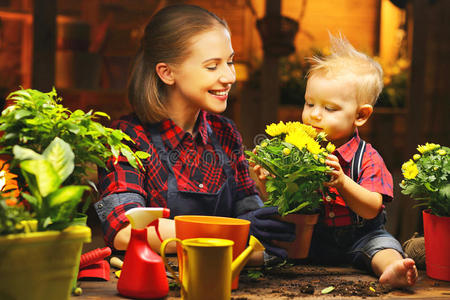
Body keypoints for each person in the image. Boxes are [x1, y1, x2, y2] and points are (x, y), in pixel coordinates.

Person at [95, 4, 294, 260]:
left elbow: (248, 212)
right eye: (212, 66)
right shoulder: (127, 138)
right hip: (154, 285)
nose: (229, 76)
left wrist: (278, 203)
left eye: (230, 62)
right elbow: (125, 230)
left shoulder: (225, 133)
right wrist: (228, 233)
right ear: (167, 73)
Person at [253, 34, 418, 287]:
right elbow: (281, 205)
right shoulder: (296, 151)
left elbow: (373, 207)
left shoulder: (368, 157)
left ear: (361, 115)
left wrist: (342, 181)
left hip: (358, 238)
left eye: (330, 108)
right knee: (269, 246)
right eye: (310, 104)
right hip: (309, 240)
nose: (315, 115)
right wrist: (266, 183)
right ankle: (231, 259)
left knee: (383, 245)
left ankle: (393, 269)